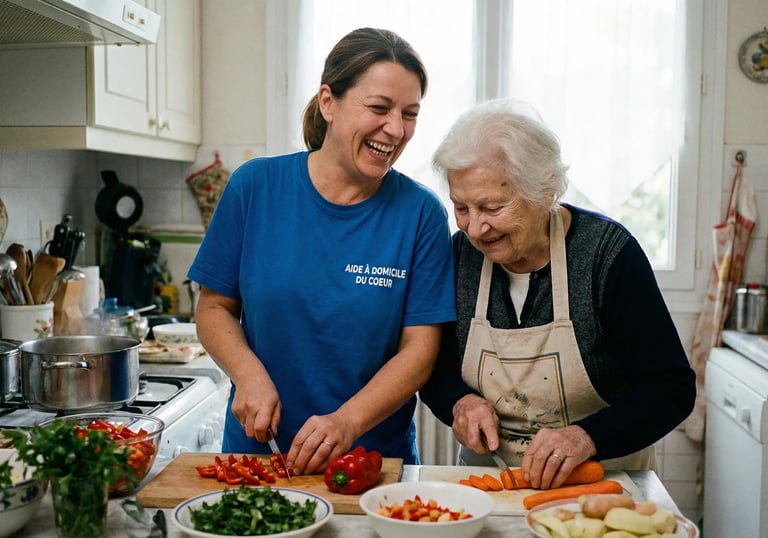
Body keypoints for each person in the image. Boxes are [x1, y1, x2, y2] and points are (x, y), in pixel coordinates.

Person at [187, 27, 456, 475]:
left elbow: (419, 353)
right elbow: (213, 308)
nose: (395, 129)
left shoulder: (422, 214)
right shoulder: (255, 187)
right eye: (378, 107)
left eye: (409, 114)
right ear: (328, 101)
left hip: (372, 468)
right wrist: (247, 374)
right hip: (258, 457)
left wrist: (346, 422)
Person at [419, 99, 695, 490]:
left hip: (601, 481)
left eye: (492, 207)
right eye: (461, 208)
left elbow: (671, 387)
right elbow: (433, 366)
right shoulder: (459, 256)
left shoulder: (607, 255)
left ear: (544, 190)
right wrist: (459, 402)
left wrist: (585, 437)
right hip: (489, 483)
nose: (476, 229)